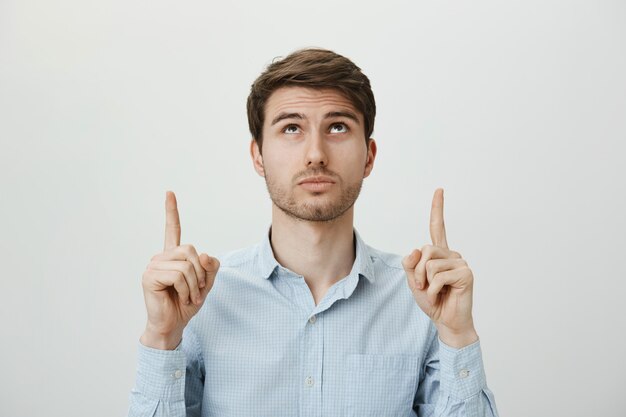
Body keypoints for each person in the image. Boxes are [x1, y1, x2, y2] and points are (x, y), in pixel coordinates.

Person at [128, 48, 499, 417]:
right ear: (258, 155)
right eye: (291, 128)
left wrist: (457, 335)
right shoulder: (200, 300)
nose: (316, 154)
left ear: (369, 156)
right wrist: (162, 338)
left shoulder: (422, 301)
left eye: (337, 127)